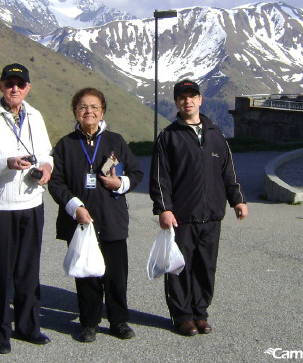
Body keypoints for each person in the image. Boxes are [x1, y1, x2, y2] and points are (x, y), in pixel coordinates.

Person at [149, 80, 248, 337]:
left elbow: (228, 172)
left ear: (200, 100)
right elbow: (160, 177)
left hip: (212, 216)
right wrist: (164, 208)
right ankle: (182, 317)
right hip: (182, 217)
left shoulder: (216, 134)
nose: (188, 101)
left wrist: (237, 199)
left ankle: (200, 313)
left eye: (192, 96)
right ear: (177, 103)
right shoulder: (168, 137)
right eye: (182, 98)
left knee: (206, 266)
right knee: (179, 267)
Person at [0, 63, 53, 354]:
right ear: (1, 86)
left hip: (32, 202)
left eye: (20, 83)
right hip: (0, 207)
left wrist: (46, 168)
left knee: (29, 271)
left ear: (28, 87)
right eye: (9, 83)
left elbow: (45, 153)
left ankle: (29, 327)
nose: (14, 88)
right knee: (1, 272)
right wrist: (6, 163)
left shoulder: (36, 116)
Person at [48, 88, 143, 343]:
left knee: (115, 275)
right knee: (86, 274)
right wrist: (75, 207)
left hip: (112, 219)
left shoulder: (116, 141)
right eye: (82, 107)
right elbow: (56, 183)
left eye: (94, 107)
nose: (88, 112)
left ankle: (119, 321)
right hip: (80, 221)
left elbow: (136, 173)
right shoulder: (65, 144)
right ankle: (89, 322)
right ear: (75, 112)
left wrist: (120, 183)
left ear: (102, 111)